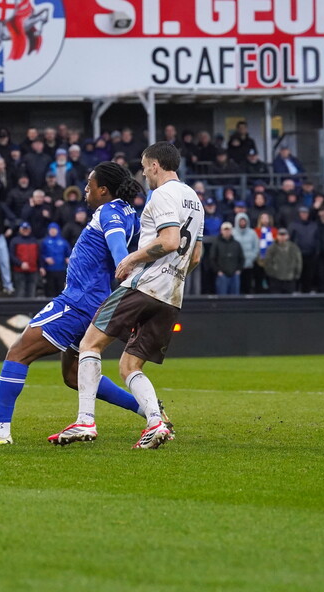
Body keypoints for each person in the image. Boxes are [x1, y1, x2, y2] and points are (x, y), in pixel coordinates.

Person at [49, 143, 203, 450]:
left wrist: (132, 260)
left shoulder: (162, 194)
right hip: (172, 294)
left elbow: (170, 240)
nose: (143, 173)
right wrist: (173, 275)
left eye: (145, 167)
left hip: (143, 285)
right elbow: (195, 254)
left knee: (89, 344)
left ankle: (85, 421)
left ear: (156, 165)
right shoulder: (194, 199)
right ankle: (156, 422)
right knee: (130, 366)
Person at [210, 222, 244, 295]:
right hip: (222, 275)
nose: (227, 231)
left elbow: (241, 258)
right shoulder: (216, 243)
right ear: (221, 231)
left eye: (228, 230)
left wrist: (238, 270)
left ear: (231, 231)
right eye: (225, 230)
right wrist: (218, 271)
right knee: (222, 298)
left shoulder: (236, 244)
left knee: (235, 298)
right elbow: (212, 259)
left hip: (234, 274)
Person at [263, 228, 301, 294]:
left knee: (289, 302)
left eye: (284, 235)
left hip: (289, 279)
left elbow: (298, 262)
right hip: (276, 280)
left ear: (288, 236)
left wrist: (296, 275)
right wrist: (272, 274)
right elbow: (267, 263)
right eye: (280, 235)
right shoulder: (271, 248)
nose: (282, 237)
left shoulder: (294, 248)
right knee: (276, 301)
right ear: (277, 236)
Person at [9, 221, 40, 298]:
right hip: (19, 270)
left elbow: (39, 255)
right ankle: (19, 310)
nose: (25, 231)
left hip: (33, 270)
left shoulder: (34, 241)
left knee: (32, 293)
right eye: (23, 229)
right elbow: (12, 255)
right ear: (20, 230)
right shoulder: (15, 240)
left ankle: (31, 310)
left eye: (27, 229)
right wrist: (20, 263)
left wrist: (41, 267)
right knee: (20, 292)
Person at [40, 222, 71, 297]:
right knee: (50, 289)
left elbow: (68, 254)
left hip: (61, 269)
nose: (52, 231)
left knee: (60, 289)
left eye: (54, 229)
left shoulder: (63, 242)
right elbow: (41, 255)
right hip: (49, 270)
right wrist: (45, 261)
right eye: (51, 229)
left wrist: (68, 259)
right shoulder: (45, 242)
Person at [233, 213, 258, 293]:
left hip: (248, 264)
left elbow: (256, 247)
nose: (243, 223)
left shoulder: (252, 233)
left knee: (248, 285)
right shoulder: (233, 233)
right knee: (237, 287)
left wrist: (251, 257)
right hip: (236, 265)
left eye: (244, 221)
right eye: (241, 221)